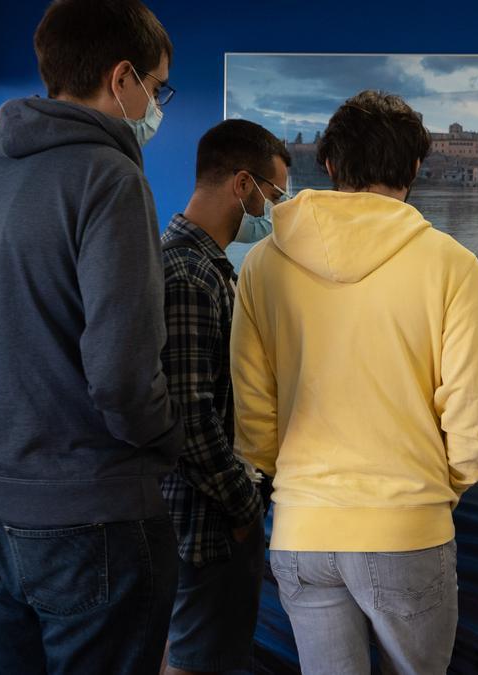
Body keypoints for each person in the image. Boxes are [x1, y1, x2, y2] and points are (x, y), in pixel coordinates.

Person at [0, 1, 182, 672]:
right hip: (94, 515)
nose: (155, 104)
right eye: (157, 86)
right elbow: (121, 376)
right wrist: (170, 437)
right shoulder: (111, 178)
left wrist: (10, 410)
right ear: (122, 79)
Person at [231, 90, 478, 675]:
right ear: (414, 167)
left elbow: (252, 417)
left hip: (301, 527)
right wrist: (436, 485)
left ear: (330, 164)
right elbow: (476, 424)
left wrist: (300, 478)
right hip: (407, 522)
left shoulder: (262, 262)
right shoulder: (451, 264)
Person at [159, 119, 290, 675]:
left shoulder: (206, 265)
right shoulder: (190, 274)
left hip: (209, 511)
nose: (276, 210)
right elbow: (191, 415)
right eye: (275, 194)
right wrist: (243, 506)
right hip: (206, 519)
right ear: (243, 184)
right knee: (203, 656)